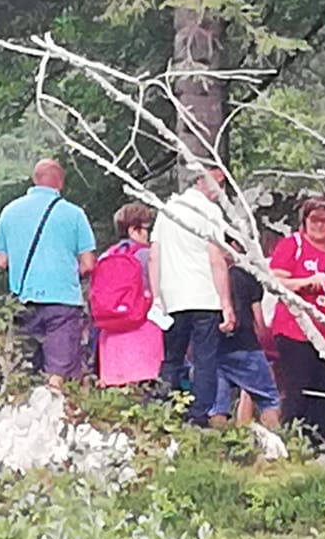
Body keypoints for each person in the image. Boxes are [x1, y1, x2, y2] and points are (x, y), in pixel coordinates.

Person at [0, 159, 97, 385]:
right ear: (60, 182)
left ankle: (23, 404)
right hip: (63, 301)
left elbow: (1, 261)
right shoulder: (74, 214)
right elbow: (88, 264)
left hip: (23, 301)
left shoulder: (9, 211)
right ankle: (55, 400)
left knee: (22, 369)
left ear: (34, 179)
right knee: (58, 370)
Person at [151, 165, 235, 425]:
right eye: (217, 182)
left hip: (173, 297)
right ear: (201, 180)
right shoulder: (209, 212)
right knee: (205, 358)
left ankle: (167, 409)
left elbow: (155, 256)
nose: (220, 190)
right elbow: (216, 259)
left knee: (172, 357)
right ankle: (198, 414)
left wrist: (157, 296)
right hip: (205, 296)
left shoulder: (167, 210)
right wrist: (226, 303)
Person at [269, 197, 325, 443]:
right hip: (296, 331)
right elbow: (274, 281)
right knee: (298, 390)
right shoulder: (293, 244)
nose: (318, 225)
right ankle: (293, 441)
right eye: (313, 219)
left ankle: (319, 443)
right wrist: (304, 282)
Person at [93, 203, 165, 387]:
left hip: (111, 332)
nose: (148, 234)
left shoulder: (105, 256)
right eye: (146, 229)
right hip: (142, 327)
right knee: (145, 387)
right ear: (134, 229)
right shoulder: (147, 256)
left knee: (116, 390)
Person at [210, 259, 280, 430]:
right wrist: (266, 345)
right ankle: (276, 440)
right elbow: (259, 320)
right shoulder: (246, 275)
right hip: (245, 345)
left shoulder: (205, 274)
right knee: (268, 399)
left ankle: (217, 443)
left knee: (218, 406)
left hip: (213, 346)